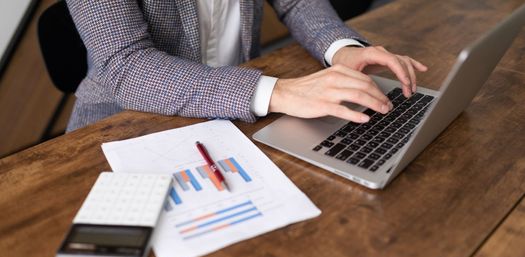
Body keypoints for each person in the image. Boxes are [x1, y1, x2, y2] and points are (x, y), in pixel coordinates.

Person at [65, 0, 427, 131]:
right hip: (125, 124)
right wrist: (276, 90)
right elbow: (126, 66)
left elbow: (297, 3)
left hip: (238, 119)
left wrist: (341, 49)